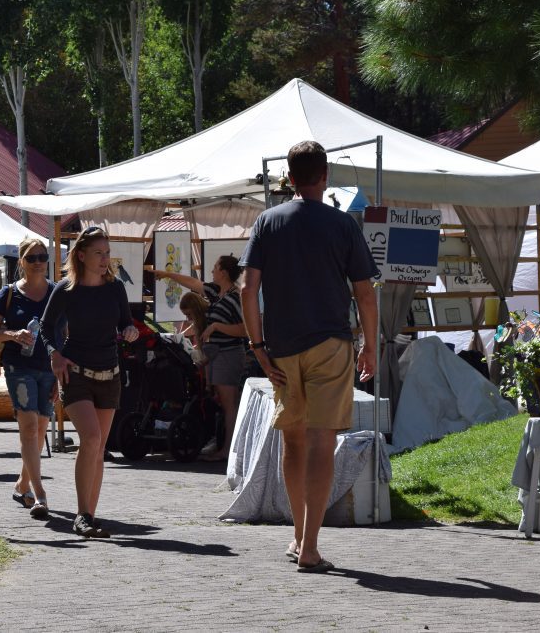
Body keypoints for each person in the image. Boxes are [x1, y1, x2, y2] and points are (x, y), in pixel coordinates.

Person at [239, 140, 378, 574]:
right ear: (325, 176)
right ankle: (310, 548)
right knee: (321, 441)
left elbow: (246, 289)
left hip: (282, 348)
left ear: (290, 176)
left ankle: (299, 536)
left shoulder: (267, 221)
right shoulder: (342, 224)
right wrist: (370, 345)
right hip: (330, 343)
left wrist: (258, 347)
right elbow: (365, 293)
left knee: (293, 440)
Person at [40, 227, 139, 537]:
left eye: (107, 253)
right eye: (99, 253)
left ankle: (90, 516)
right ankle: (81, 515)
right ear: (81, 255)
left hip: (109, 374)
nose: (105, 259)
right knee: (92, 439)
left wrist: (131, 332)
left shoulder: (115, 288)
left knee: (98, 448)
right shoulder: (66, 289)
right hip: (76, 374)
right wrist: (55, 355)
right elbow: (45, 328)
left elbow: (126, 323)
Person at [154, 256, 248, 461]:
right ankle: (223, 444)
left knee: (229, 405)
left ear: (224, 272)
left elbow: (245, 330)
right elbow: (193, 283)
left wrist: (216, 326)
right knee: (223, 403)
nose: (212, 271)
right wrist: (168, 274)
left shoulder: (236, 297)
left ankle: (228, 451)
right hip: (217, 355)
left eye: (215, 267)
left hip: (229, 354)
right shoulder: (216, 292)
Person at [0, 237, 57, 519]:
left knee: (40, 429)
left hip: (49, 369)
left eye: (43, 257)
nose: (39, 262)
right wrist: (12, 335)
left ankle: (22, 484)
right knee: (29, 428)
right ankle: (40, 494)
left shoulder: (56, 292)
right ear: (22, 262)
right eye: (32, 258)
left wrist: (61, 375)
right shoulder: (8, 294)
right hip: (19, 367)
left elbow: (66, 334)